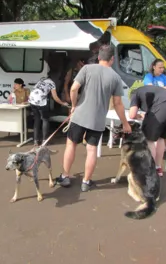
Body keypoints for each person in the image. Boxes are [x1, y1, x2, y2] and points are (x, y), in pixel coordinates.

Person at [56, 45, 131, 192]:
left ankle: (65, 176)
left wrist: (73, 106)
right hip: (97, 120)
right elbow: (117, 103)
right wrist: (125, 123)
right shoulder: (116, 77)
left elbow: (73, 88)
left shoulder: (86, 69)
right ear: (112, 59)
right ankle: (86, 181)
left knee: (71, 145)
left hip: (80, 115)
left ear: (98, 57)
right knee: (91, 150)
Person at [129, 86, 166, 177]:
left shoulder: (135, 94)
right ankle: (158, 167)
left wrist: (139, 115)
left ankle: (149, 170)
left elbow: (132, 115)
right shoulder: (149, 89)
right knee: (161, 138)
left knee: (149, 139)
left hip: (162, 107)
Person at [28, 73, 69, 147]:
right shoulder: (52, 83)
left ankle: (36, 141)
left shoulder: (42, 79)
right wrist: (63, 103)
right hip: (40, 101)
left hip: (32, 100)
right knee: (45, 119)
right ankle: (45, 141)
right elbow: (55, 97)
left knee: (37, 119)